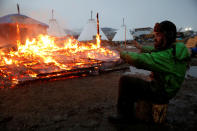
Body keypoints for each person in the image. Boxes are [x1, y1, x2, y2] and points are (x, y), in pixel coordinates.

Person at [108, 20, 191, 124]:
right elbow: (154, 50)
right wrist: (141, 47)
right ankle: (132, 108)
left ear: (166, 36)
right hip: (167, 88)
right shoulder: (175, 48)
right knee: (136, 82)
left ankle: (124, 117)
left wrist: (123, 54)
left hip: (162, 92)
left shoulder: (167, 56)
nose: (155, 38)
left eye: (158, 35)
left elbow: (141, 60)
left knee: (125, 81)